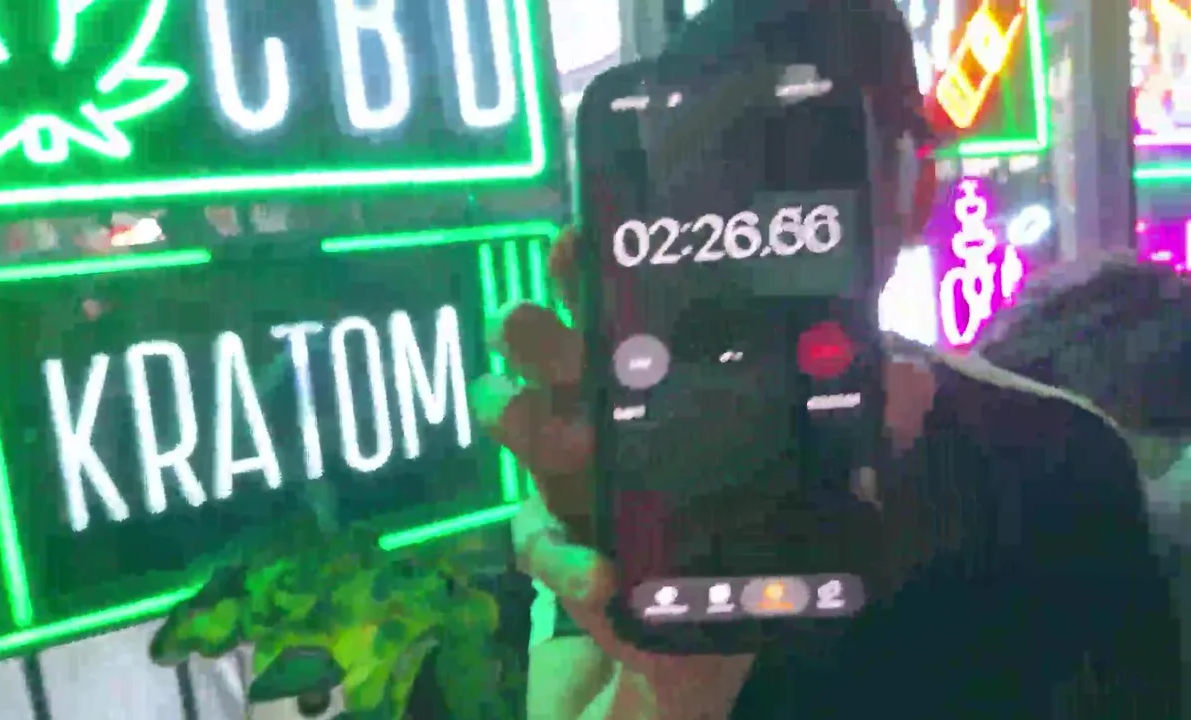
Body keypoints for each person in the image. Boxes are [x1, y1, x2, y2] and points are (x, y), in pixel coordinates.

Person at [470, 0, 1181, 716]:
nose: (773, 207)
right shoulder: (622, 473)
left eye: (814, 149)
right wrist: (678, 682)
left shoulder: (1067, 454)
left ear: (914, 186)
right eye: (731, 155)